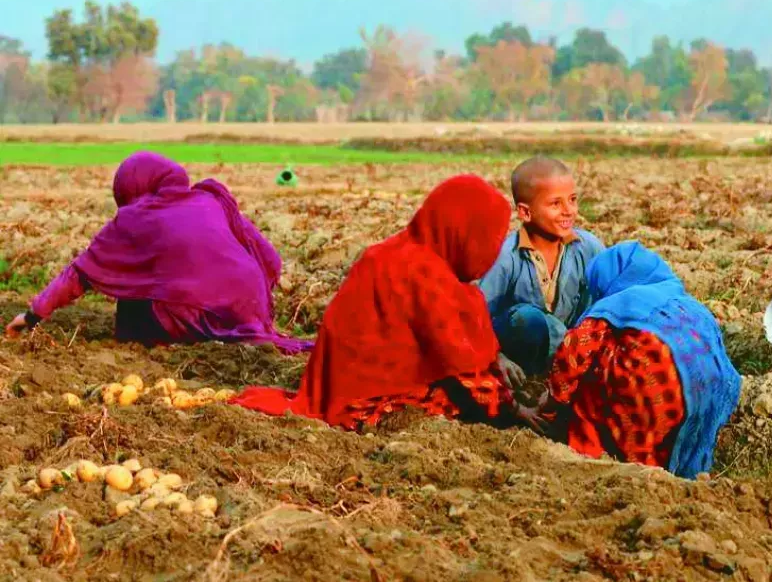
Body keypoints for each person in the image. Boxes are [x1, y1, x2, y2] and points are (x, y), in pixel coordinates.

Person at [231, 174, 539, 430]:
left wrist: (494, 359)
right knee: (459, 403)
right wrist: (514, 412)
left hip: (338, 388)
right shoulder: (427, 276)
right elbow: (463, 369)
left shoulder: (396, 252)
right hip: (365, 401)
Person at [3, 151, 310, 353]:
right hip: (249, 307)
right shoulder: (210, 199)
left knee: (134, 284)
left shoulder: (134, 219)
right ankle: (244, 328)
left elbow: (80, 274)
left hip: (191, 316)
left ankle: (147, 339)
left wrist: (31, 316)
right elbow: (270, 257)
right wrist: (249, 301)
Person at [537, 242, 742, 480]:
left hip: (647, 387)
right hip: (699, 393)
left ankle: (588, 450)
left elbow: (575, 351)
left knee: (590, 377)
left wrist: (553, 398)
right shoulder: (688, 304)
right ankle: (658, 468)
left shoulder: (621, 301)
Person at [478, 156, 603, 383]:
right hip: (522, 352)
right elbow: (477, 317)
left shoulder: (589, 248)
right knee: (527, 319)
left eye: (572, 200)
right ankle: (530, 379)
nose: (569, 211)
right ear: (526, 213)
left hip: (574, 352)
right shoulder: (506, 256)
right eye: (556, 204)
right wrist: (496, 357)